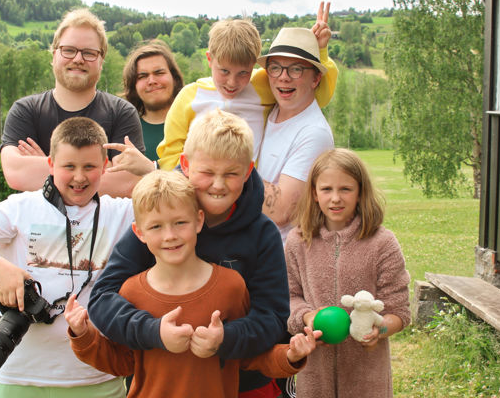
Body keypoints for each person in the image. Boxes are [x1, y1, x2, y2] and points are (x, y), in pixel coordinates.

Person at [64, 170, 322, 397]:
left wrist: (289, 355)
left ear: (199, 221)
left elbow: (250, 357)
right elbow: (122, 362)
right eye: (156, 226)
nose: (170, 236)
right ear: (139, 233)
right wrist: (83, 335)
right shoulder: (131, 291)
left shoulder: (231, 286)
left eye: (180, 223)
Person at [89, 109, 290, 398]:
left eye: (231, 174)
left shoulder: (263, 234)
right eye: (206, 172)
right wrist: (152, 331)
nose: (218, 184)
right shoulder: (161, 223)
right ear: (185, 164)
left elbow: (273, 317)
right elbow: (102, 297)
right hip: (162, 382)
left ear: (248, 171)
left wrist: (227, 338)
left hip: (243, 386)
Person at [0, 117, 135, 398]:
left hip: (94, 377)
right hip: (17, 375)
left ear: (106, 167)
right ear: (50, 165)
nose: (79, 177)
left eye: (90, 167)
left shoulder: (121, 212)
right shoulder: (21, 208)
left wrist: (149, 170)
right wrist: (1, 269)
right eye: (68, 166)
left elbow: (182, 202)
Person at [285, 148, 411, 398]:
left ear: (360, 192)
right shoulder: (298, 241)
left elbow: (399, 311)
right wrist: (308, 316)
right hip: (314, 372)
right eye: (326, 189)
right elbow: (288, 296)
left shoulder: (382, 243)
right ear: (314, 192)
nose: (335, 198)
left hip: (366, 375)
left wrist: (380, 330)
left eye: (345, 189)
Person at [155, 2, 338, 171]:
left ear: (254, 66)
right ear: (210, 59)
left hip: (248, 194)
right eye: (224, 71)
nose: (232, 83)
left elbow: (316, 95)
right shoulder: (189, 97)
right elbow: (171, 150)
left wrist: (319, 52)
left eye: (243, 73)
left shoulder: (262, 86)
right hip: (199, 189)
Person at [0, 8, 144, 197]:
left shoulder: (121, 113)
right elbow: (16, 173)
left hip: (102, 226)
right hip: (38, 226)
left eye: (89, 53)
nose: (78, 59)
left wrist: (48, 166)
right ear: (54, 56)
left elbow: (126, 182)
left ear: (101, 61)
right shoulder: (25, 111)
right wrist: (95, 171)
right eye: (68, 50)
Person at [256, 23, 336, 243]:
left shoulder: (313, 133)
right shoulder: (268, 112)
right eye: (275, 67)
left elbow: (282, 212)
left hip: (281, 266)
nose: (283, 77)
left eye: (296, 69)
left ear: (316, 79)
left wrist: (231, 167)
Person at [121, 40, 184, 161]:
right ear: (133, 85)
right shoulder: (125, 131)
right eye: (142, 76)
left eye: (159, 73)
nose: (151, 81)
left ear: (174, 78)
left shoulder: (195, 125)